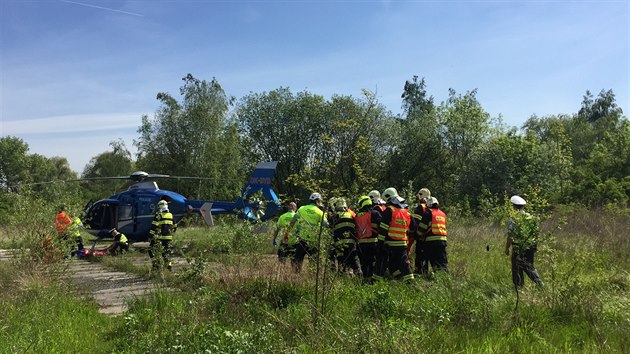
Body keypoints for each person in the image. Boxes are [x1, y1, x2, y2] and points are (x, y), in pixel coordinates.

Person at [505, 195, 543, 288]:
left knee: (516, 266)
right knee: (529, 265)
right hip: (530, 245)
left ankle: (519, 287)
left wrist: (507, 248)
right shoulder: (530, 217)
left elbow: (510, 235)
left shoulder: (513, 219)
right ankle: (538, 282)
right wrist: (535, 245)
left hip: (518, 246)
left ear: (513, 206)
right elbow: (536, 233)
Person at [378, 187, 414, 282]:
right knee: (401, 263)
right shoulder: (406, 211)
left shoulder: (389, 210)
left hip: (391, 243)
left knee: (394, 263)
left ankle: (405, 280)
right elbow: (413, 227)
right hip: (403, 243)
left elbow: (383, 229)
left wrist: (380, 243)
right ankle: (405, 280)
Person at [287, 192, 328, 272]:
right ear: (317, 201)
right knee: (314, 262)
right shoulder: (320, 212)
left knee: (298, 260)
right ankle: (312, 278)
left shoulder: (301, 209)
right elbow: (326, 225)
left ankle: (296, 278)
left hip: (302, 239)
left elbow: (292, 222)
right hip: (313, 241)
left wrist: (287, 233)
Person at [416, 197, 449, 273]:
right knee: (441, 261)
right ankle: (443, 276)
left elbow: (422, 227)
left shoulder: (428, 213)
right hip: (442, 241)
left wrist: (418, 235)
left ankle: (423, 274)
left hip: (431, 241)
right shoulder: (442, 214)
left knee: (424, 258)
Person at [331, 198, 361, 275]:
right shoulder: (351, 214)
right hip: (351, 242)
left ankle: (342, 274)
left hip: (340, 243)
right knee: (352, 259)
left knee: (341, 259)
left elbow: (331, 229)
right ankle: (358, 272)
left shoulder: (335, 215)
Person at [354, 195, 381, 281]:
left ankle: (365, 279)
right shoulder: (374, 213)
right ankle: (373, 279)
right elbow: (381, 226)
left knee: (364, 263)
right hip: (374, 243)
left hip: (361, 244)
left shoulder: (357, 216)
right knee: (373, 262)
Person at [368, 190, 389, 281]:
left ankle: (377, 277)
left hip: (380, 235)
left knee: (379, 257)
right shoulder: (384, 206)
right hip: (390, 235)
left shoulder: (376, 208)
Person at [409, 188, 431, 274]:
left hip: (421, 235)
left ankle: (418, 271)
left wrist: (414, 234)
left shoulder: (420, 207)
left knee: (419, 254)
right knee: (426, 254)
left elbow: (416, 223)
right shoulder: (431, 206)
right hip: (429, 235)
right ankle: (425, 272)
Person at [149, 199, 175, 271]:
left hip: (160, 237)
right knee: (167, 252)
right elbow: (175, 226)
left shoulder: (158, 215)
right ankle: (169, 267)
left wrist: (150, 236)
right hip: (169, 238)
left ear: (160, 207)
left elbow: (153, 227)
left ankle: (156, 264)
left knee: (151, 250)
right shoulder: (171, 215)